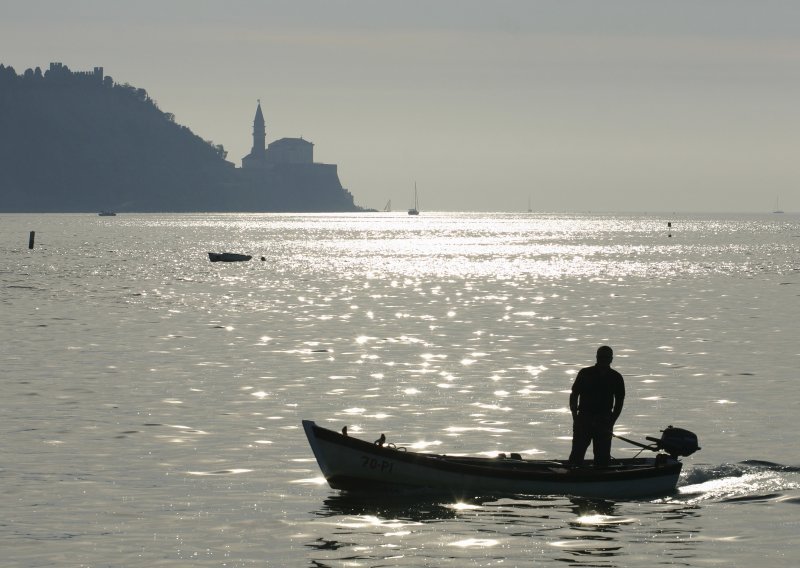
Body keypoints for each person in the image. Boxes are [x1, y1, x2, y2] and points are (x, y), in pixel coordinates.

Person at [568, 345, 625, 467]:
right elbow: (574, 395)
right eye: (601, 357)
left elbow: (619, 402)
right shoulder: (585, 373)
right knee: (576, 455)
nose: (603, 359)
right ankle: (572, 477)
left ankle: (601, 479)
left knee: (602, 458)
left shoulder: (616, 377)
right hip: (584, 419)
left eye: (606, 357)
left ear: (611, 359)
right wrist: (575, 417)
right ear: (596, 357)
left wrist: (612, 421)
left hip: (604, 421)